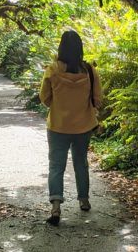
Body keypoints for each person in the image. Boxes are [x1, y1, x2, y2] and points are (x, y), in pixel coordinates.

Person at [39, 30, 103, 226]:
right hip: (83, 126)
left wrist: (59, 105)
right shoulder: (89, 71)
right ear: (80, 49)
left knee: (56, 166)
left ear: (61, 48)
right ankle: (83, 200)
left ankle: (56, 206)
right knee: (80, 163)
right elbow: (98, 99)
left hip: (58, 126)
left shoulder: (52, 70)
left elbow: (45, 98)